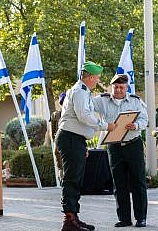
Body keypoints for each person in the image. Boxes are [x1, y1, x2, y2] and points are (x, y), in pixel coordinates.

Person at [55, 61, 116, 231]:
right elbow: (84, 116)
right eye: (96, 78)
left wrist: (83, 145)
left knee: (76, 178)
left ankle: (74, 216)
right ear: (89, 77)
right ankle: (69, 220)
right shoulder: (80, 92)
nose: (97, 81)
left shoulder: (84, 91)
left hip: (75, 139)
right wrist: (105, 125)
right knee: (71, 178)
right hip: (70, 138)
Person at [93, 74, 148, 228]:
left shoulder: (135, 101)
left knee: (138, 182)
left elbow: (145, 119)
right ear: (112, 87)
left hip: (133, 144)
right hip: (114, 146)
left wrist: (136, 126)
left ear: (127, 87)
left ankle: (141, 217)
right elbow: (86, 106)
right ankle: (124, 218)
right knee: (119, 183)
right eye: (115, 86)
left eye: (121, 87)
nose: (118, 90)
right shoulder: (102, 100)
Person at [51, 92, 67, 180]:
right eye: (63, 102)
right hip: (58, 140)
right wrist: (54, 140)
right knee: (60, 163)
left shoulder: (73, 113)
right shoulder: (55, 115)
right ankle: (62, 179)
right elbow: (53, 130)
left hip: (69, 140)